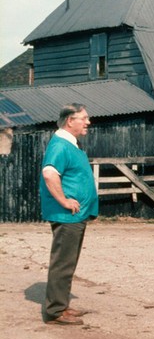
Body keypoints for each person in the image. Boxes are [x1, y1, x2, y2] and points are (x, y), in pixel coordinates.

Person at [40, 103, 98, 325]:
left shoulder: (71, 144)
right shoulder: (60, 145)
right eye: (84, 118)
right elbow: (49, 174)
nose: (88, 122)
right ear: (69, 120)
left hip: (75, 216)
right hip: (67, 216)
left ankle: (61, 305)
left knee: (68, 262)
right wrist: (63, 200)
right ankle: (55, 312)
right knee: (63, 263)